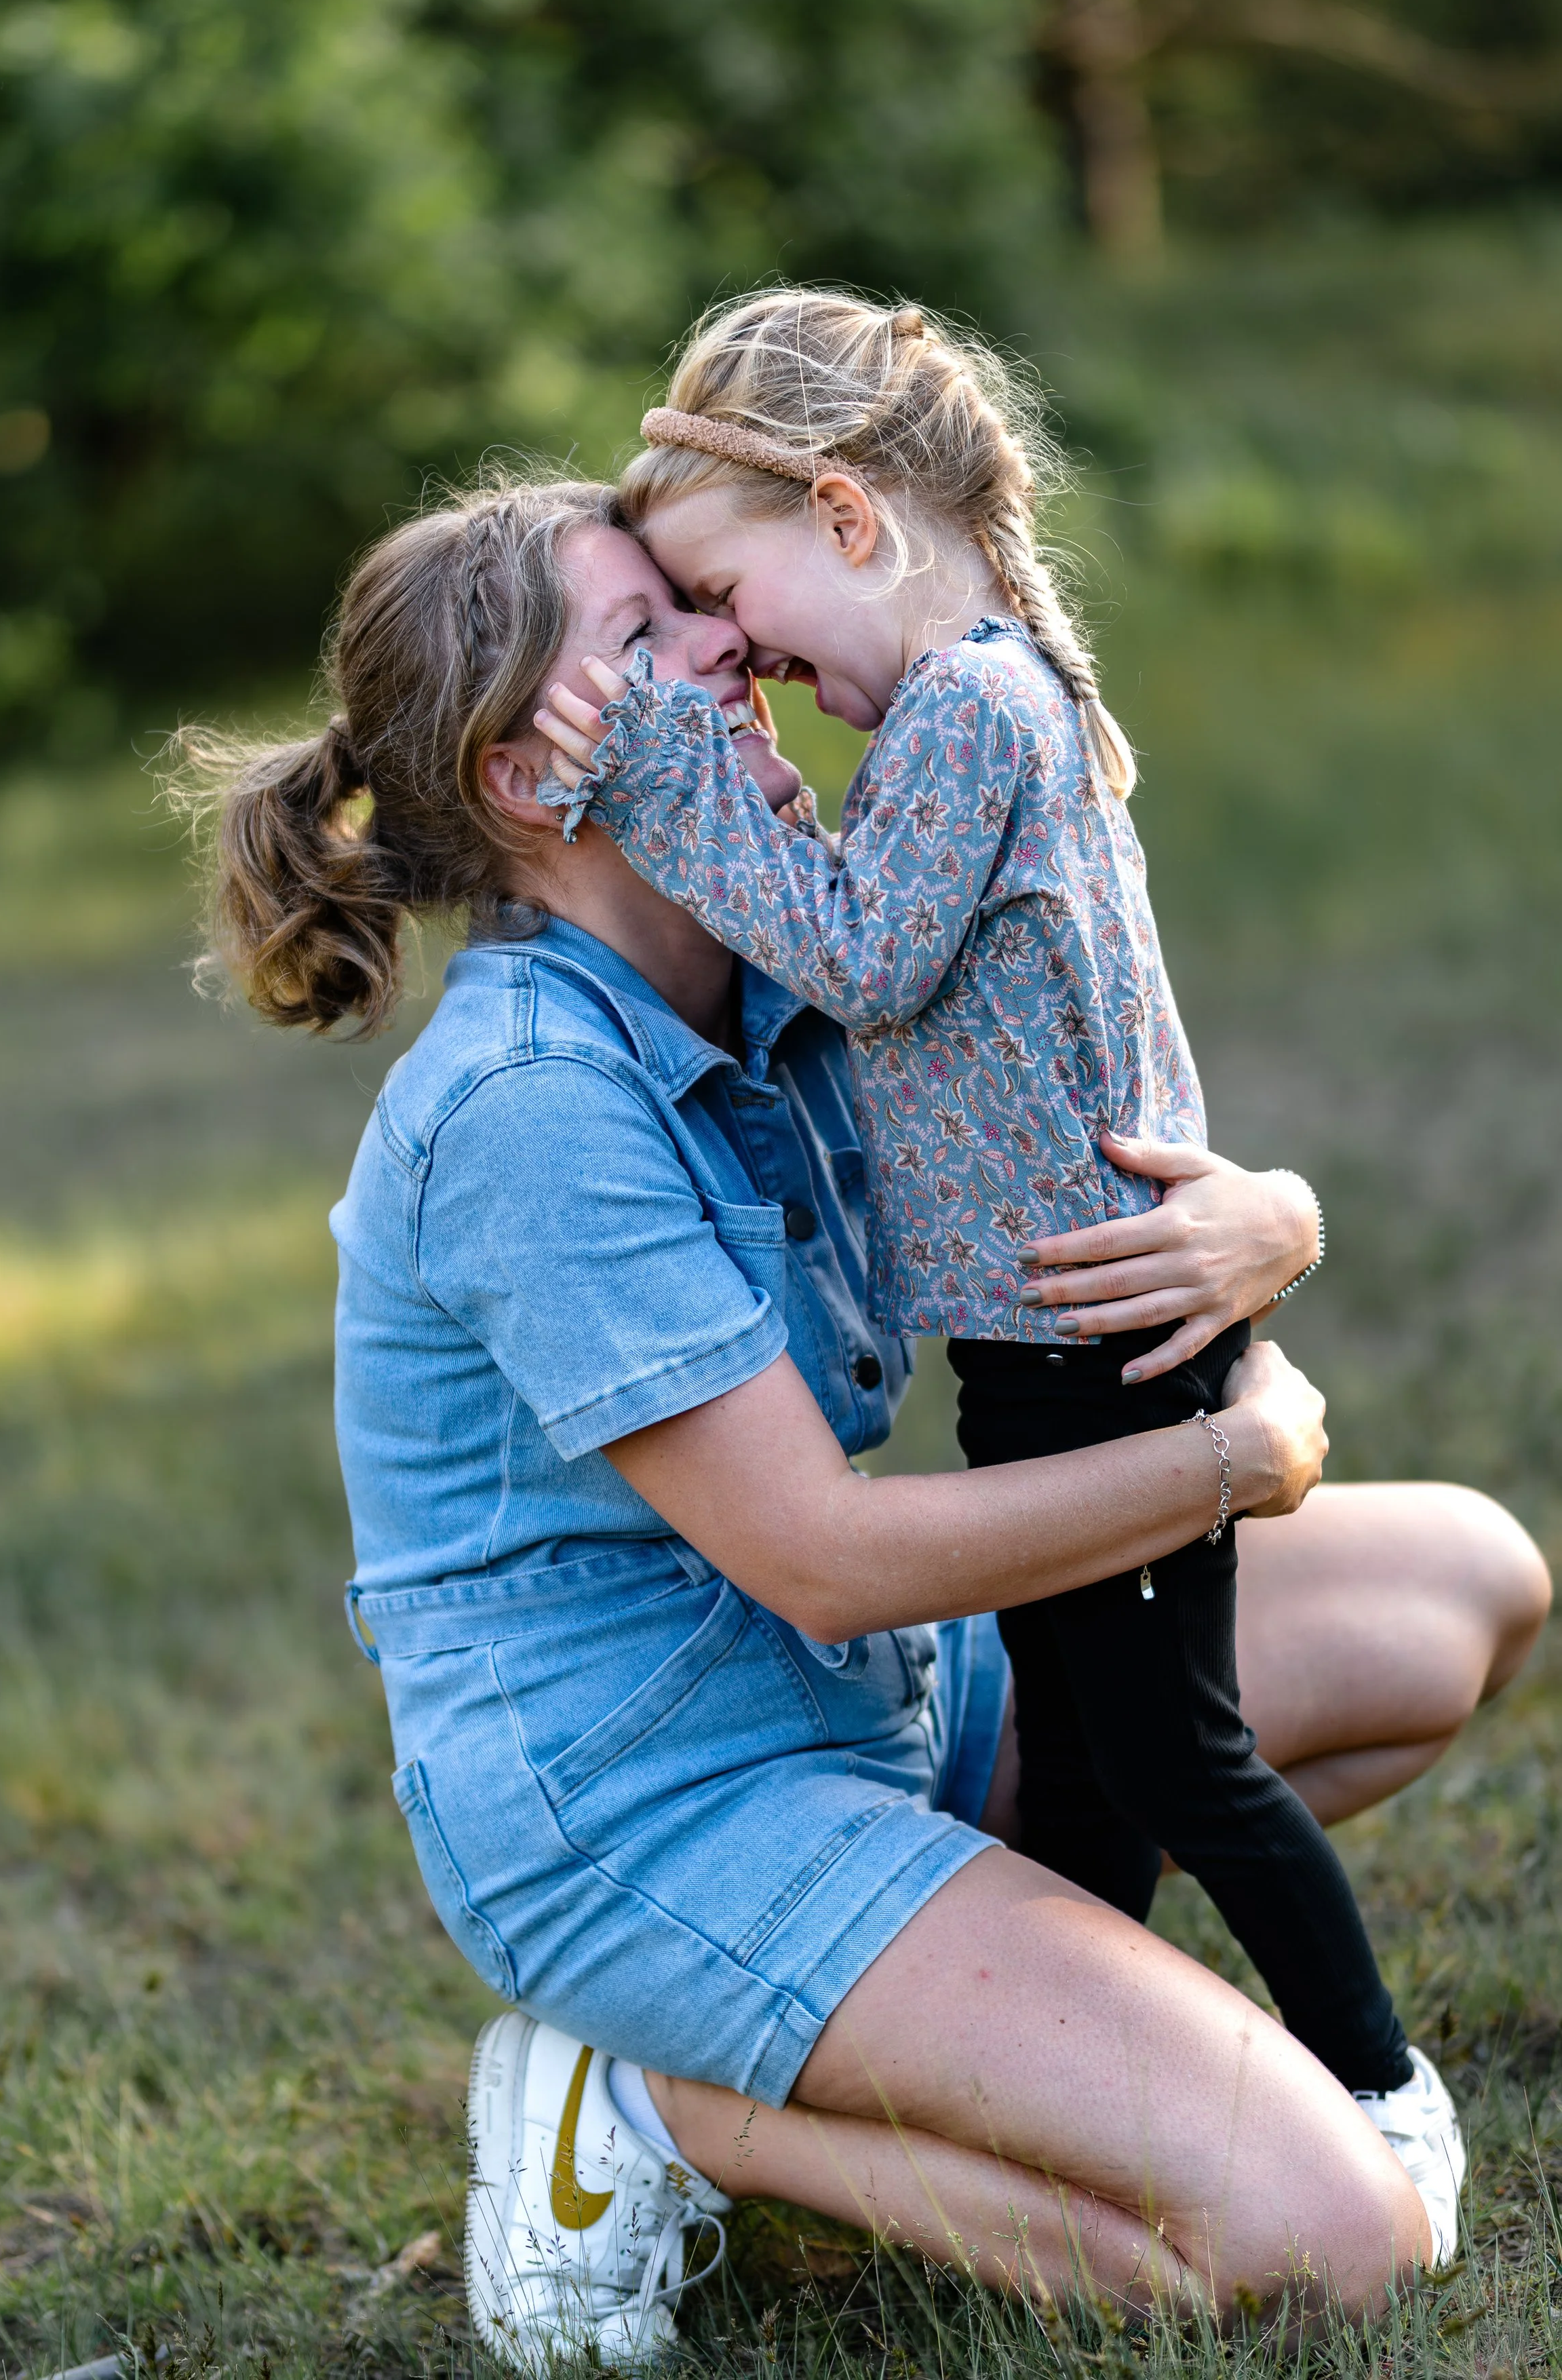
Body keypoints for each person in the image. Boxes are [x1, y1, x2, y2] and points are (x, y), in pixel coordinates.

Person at [176, 472, 1549, 2367]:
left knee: (1461, 1586)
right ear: (527, 777)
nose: (730, 645)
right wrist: (1225, 1464)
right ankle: (663, 2106)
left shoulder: (802, 963)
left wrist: (1273, 1218)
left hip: (887, 1695)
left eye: (701, 605)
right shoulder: (527, 1104)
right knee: (1335, 2239)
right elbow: (818, 1558)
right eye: (648, 638)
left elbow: (1081, 1124)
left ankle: (993, 1990)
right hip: (657, 1799)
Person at [534, 289, 1433, 2193]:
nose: (745, 665)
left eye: (736, 602)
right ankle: (1097, 2073)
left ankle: (1375, 2090)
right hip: (1057, 1340)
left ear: (846, 517)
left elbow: (855, 955)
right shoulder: (1002, 685)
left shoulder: (966, 704)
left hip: (1098, 1349)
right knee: (1097, 1766)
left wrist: (654, 768)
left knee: (1177, 1755)